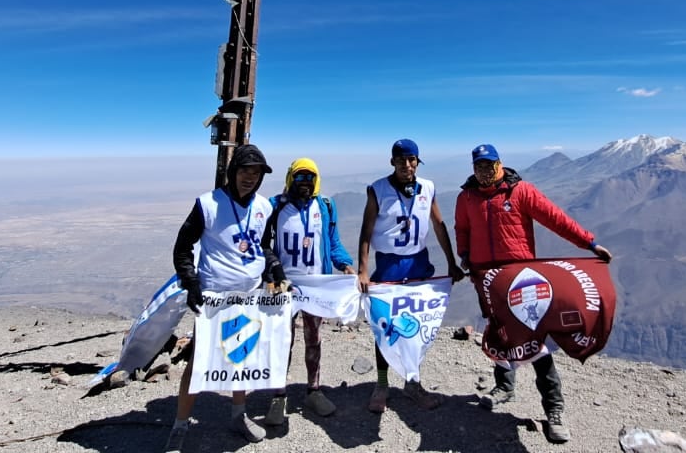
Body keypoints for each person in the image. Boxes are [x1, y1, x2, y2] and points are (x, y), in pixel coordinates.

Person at [454, 143, 613, 445]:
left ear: (499, 164)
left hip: (521, 281)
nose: (484, 171)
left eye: (489, 165)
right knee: (499, 332)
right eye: (479, 166)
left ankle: (554, 410)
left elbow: (555, 219)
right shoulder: (467, 197)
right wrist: (464, 255)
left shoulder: (521, 191)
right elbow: (462, 228)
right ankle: (505, 387)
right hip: (486, 279)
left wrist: (589, 244)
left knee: (534, 340)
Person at [167, 144, 287, 451]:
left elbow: (263, 246)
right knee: (199, 361)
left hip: (250, 297)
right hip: (214, 299)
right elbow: (183, 246)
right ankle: (180, 426)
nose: (250, 177)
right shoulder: (208, 204)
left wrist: (273, 266)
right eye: (245, 170)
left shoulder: (264, 207)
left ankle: (238, 415)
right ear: (233, 171)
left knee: (241, 357)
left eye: (256, 172)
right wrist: (190, 281)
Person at [356, 138, 465, 413]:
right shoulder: (378, 189)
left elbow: (438, 226)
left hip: (418, 263)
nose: (407, 165)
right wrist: (363, 269)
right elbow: (366, 230)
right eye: (401, 160)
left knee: (416, 326)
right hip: (389, 265)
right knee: (385, 326)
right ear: (392, 161)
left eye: (412, 159)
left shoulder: (427, 188)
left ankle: (413, 383)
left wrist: (451, 263)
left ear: (418, 161)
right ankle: (382, 384)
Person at [259, 157, 355, 424]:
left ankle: (314, 390)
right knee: (282, 340)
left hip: (316, 286)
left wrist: (345, 264)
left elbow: (332, 242)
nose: (305, 182)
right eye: (299, 177)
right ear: (290, 178)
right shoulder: (275, 206)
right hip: (283, 287)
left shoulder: (325, 206)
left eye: (310, 177)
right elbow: (263, 244)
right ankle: (278, 396)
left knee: (314, 339)